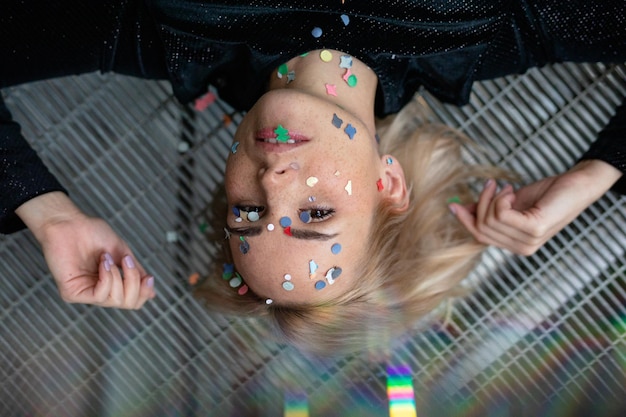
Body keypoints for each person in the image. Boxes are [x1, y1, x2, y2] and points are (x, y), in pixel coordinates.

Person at [2, 1, 625, 354]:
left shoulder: (155, 33)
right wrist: (598, 173)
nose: (274, 180)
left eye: (249, 213)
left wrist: (47, 210)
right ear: (388, 184)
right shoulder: (492, 28)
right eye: (316, 215)